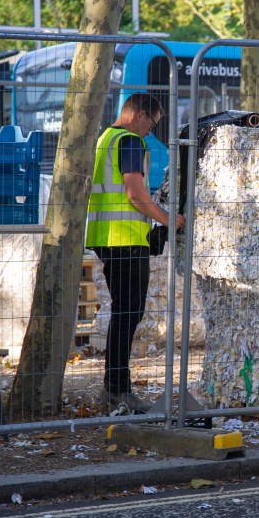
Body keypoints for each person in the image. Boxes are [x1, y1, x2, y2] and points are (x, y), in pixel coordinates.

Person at [86, 93, 185, 414]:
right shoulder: (129, 141)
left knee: (122, 315)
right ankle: (117, 390)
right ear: (140, 114)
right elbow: (135, 192)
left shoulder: (104, 139)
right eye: (152, 124)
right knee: (128, 316)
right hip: (125, 240)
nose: (150, 132)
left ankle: (113, 388)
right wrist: (168, 219)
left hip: (106, 237)